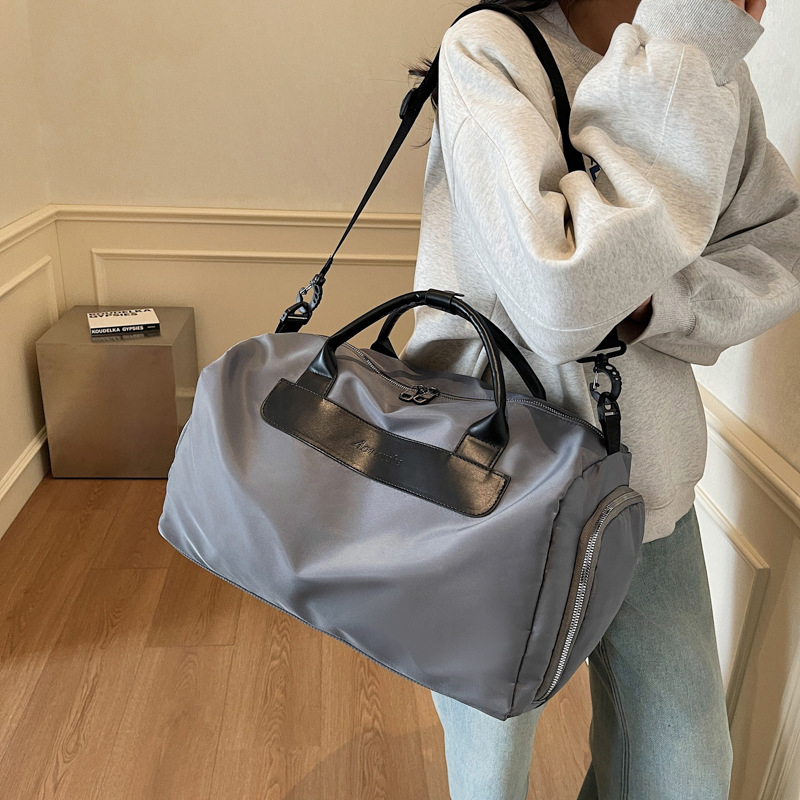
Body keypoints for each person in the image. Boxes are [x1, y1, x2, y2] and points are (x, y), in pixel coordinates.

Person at [398, 0, 800, 797]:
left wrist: (657, 306)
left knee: (686, 773)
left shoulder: (705, 60)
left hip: (645, 487)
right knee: (493, 778)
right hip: (491, 491)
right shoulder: (488, 48)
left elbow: (776, 249)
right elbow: (567, 299)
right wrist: (685, 40)